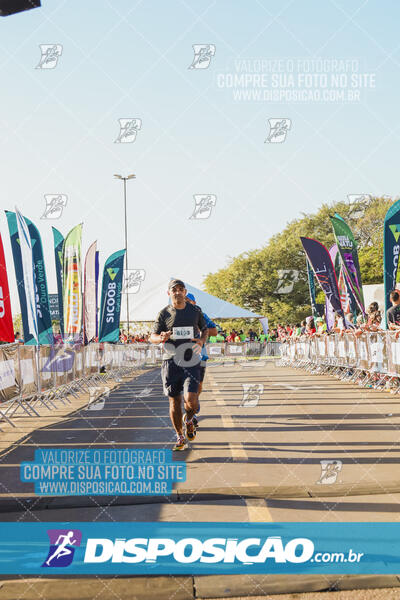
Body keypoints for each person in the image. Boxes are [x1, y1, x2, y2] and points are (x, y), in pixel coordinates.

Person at [150, 280, 208, 451]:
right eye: (174, 290)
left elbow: (205, 329)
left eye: (180, 289)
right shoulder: (164, 314)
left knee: (191, 401)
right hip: (171, 361)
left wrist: (202, 340)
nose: (177, 292)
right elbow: (151, 336)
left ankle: (189, 419)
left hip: (191, 361)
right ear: (169, 294)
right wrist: (160, 338)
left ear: (185, 292)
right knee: (174, 402)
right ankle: (180, 436)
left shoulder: (195, 311)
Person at [185, 293, 217, 427]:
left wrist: (200, 329)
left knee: (198, 387)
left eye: (188, 300)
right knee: (186, 389)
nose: (185, 302)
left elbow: (214, 331)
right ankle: (190, 415)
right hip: (183, 356)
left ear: (194, 302)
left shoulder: (200, 314)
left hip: (201, 356)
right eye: (184, 300)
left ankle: (194, 407)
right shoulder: (176, 314)